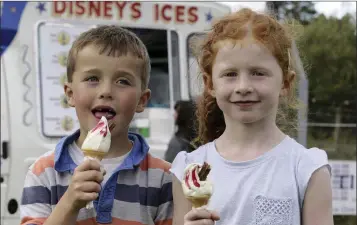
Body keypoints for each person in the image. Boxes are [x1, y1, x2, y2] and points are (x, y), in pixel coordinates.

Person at [170, 8, 333, 225]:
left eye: (258, 73)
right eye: (230, 74)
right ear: (210, 84)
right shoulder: (189, 169)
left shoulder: (306, 169)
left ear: (285, 83)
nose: (243, 87)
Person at [20, 25, 173, 225]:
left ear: (142, 100)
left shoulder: (162, 177)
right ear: (70, 94)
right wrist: (69, 203)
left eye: (123, 81)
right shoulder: (43, 172)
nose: (106, 91)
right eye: (92, 78)